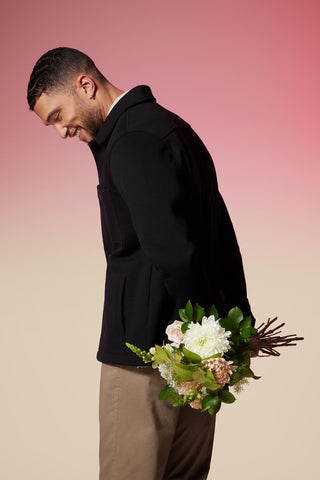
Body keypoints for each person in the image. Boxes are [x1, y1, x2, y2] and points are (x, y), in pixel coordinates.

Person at [27, 47, 254, 480]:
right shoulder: (172, 127)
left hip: (145, 361)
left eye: (57, 115)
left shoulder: (132, 141)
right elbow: (221, 234)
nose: (60, 132)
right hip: (195, 361)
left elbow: (171, 250)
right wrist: (226, 327)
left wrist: (202, 336)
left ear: (86, 85)